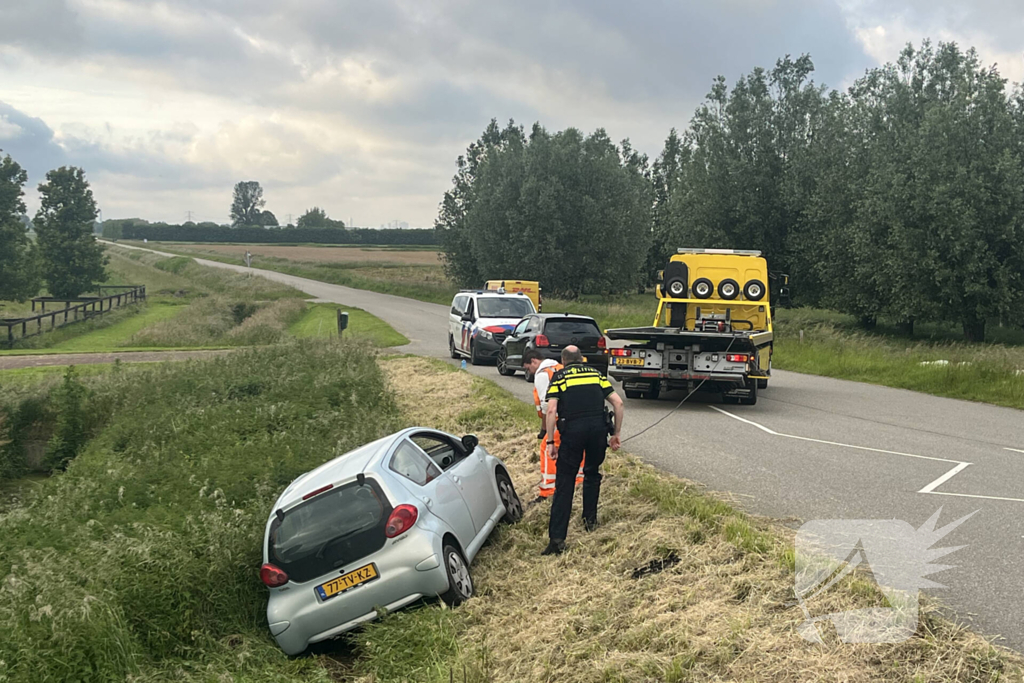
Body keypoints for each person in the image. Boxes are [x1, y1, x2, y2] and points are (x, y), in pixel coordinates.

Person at [541, 345, 624, 555]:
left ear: (564, 360)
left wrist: (550, 442)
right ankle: (590, 521)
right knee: (592, 473)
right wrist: (616, 434)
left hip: (573, 434)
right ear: (582, 358)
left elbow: (551, 410)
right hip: (598, 432)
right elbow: (618, 403)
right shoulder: (596, 374)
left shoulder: (560, 376)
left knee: (565, 482)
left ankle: (558, 540)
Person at [522, 349, 583, 501]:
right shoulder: (558, 367)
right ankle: (579, 481)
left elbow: (546, 405)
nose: (529, 372)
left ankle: (548, 490)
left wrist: (545, 430)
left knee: (547, 449)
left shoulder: (542, 375)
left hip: (557, 417)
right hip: (573, 417)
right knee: (575, 447)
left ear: (534, 361)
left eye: (528, 368)